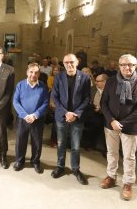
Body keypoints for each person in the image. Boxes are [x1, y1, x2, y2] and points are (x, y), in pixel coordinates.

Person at [99, 54, 137, 201]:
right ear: (119, 66)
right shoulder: (111, 82)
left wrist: (123, 123)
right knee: (112, 153)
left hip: (130, 127)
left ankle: (127, 183)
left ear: (135, 66)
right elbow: (104, 103)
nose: (127, 67)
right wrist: (112, 120)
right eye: (124, 65)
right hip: (111, 125)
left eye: (131, 65)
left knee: (129, 157)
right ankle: (111, 176)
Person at [51, 53, 91, 185]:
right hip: (62, 117)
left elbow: (87, 99)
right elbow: (55, 97)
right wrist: (66, 113)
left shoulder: (85, 78)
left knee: (76, 146)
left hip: (77, 118)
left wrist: (75, 114)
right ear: (63, 64)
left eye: (71, 62)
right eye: (66, 62)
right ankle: (60, 167)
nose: (69, 65)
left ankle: (76, 169)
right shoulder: (58, 77)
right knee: (61, 144)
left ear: (77, 63)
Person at [12, 63, 49, 173]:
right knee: (20, 141)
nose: (33, 74)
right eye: (31, 72)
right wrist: (25, 115)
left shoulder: (43, 86)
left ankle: (35, 161)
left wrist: (34, 115)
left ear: (39, 74)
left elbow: (45, 103)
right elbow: (16, 101)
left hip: (37, 119)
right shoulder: (20, 85)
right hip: (22, 119)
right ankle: (19, 161)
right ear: (27, 72)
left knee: (37, 141)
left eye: (36, 72)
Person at [82, 74, 108, 153]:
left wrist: (101, 109)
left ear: (104, 82)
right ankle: (89, 144)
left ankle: (103, 146)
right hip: (91, 112)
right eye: (95, 81)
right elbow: (85, 101)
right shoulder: (92, 89)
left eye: (98, 81)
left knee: (103, 125)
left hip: (105, 114)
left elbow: (111, 104)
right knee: (93, 124)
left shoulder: (109, 91)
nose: (95, 82)